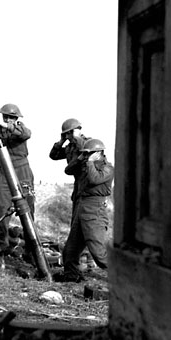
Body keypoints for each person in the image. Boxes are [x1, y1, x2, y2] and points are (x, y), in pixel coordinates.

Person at [0, 103, 35, 254]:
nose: (8, 119)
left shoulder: (20, 128)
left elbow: (25, 134)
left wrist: (6, 125)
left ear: (16, 118)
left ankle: (32, 251)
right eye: (5, 117)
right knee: (1, 212)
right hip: (2, 173)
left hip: (22, 172)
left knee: (27, 213)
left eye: (11, 117)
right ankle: (0, 249)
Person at [54, 138, 113, 283]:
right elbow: (68, 170)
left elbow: (94, 179)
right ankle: (72, 276)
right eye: (85, 154)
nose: (86, 156)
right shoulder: (85, 164)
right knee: (70, 250)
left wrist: (90, 161)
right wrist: (79, 158)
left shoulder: (107, 168)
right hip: (82, 206)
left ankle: (125, 275)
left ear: (99, 153)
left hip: (95, 210)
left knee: (99, 253)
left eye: (89, 153)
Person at [49, 117, 88, 220]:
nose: (67, 136)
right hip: (77, 185)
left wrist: (77, 137)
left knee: (85, 218)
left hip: (87, 184)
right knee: (75, 218)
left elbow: (84, 150)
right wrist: (61, 141)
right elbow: (54, 155)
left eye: (68, 133)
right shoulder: (70, 147)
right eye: (65, 134)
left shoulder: (87, 143)